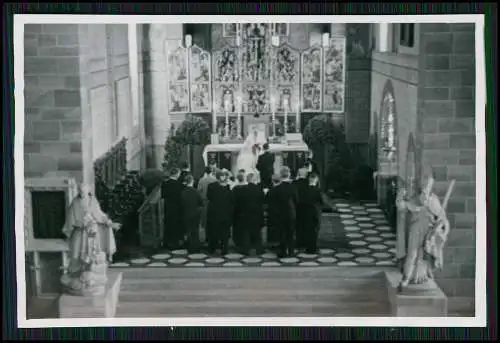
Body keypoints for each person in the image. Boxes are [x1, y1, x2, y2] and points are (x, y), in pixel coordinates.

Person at [60, 183, 120, 295]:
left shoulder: (93, 202)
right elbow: (70, 219)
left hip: (91, 233)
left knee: (92, 253)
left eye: (84, 190)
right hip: (79, 231)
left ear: (88, 190)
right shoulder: (75, 202)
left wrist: (109, 223)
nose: (82, 192)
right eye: (80, 190)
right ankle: (76, 275)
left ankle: (90, 275)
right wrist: (68, 231)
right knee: (75, 254)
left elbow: (99, 215)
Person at [206, 170, 234, 255]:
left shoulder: (211, 186)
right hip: (225, 213)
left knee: (213, 231)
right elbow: (231, 200)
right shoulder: (228, 188)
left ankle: (212, 249)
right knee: (224, 232)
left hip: (214, 212)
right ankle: (224, 249)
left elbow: (209, 197)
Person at [273, 166, 298, 258]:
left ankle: (283, 251)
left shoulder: (277, 188)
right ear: (289, 175)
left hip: (280, 213)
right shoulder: (293, 187)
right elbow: (296, 200)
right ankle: (291, 251)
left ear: (280, 176)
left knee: (282, 233)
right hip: (291, 212)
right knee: (291, 233)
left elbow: (273, 202)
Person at [161, 167, 184, 249]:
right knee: (176, 225)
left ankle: (166, 243)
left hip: (167, 206)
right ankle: (175, 244)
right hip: (176, 207)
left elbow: (163, 195)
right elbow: (180, 197)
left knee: (167, 225)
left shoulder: (164, 183)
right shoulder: (179, 184)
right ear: (176, 174)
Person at [181, 175, 204, 253]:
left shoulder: (183, 192)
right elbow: (201, 203)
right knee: (195, 231)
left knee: (188, 231)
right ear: (192, 181)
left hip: (185, 213)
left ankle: (190, 247)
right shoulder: (195, 191)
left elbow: (180, 204)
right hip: (195, 214)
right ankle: (196, 247)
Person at [301, 173, 323, 254]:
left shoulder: (304, 190)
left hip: (306, 212)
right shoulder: (318, 190)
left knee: (307, 230)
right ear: (316, 180)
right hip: (315, 213)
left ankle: (308, 247)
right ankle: (314, 248)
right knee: (315, 231)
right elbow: (322, 202)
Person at [197, 166, 217, 241]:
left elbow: (199, 191)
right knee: (213, 220)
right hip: (213, 202)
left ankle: (206, 237)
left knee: (205, 221)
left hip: (204, 201)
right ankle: (213, 237)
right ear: (211, 172)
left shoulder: (202, 180)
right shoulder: (214, 180)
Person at [231, 170, 248, 252]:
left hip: (236, 211)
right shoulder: (247, 188)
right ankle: (244, 244)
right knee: (244, 228)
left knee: (237, 227)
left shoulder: (234, 188)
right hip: (245, 210)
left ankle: (237, 243)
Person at [293, 167, 310, 250]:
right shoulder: (308, 183)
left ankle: (298, 242)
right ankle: (306, 242)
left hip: (297, 207)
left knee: (298, 225)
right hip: (307, 207)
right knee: (306, 225)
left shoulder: (294, 183)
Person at [265, 174, 282, 245]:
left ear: (272, 181)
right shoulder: (282, 189)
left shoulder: (270, 191)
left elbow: (266, 201)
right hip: (281, 211)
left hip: (272, 211)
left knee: (272, 228)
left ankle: (272, 242)